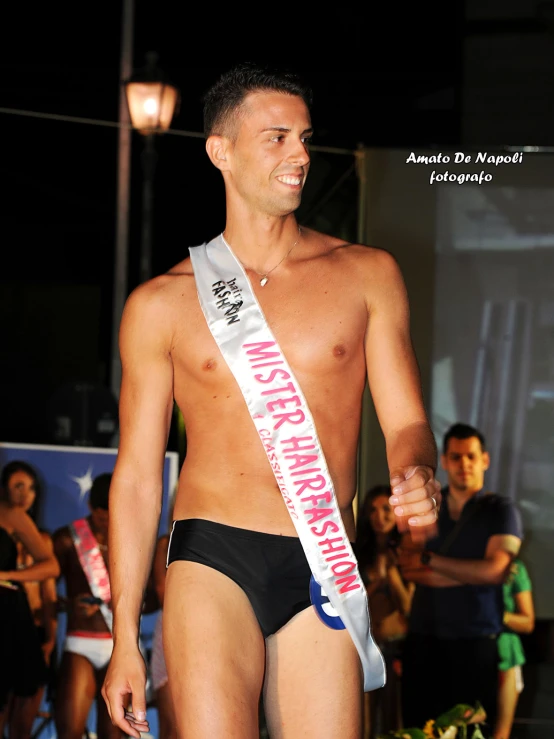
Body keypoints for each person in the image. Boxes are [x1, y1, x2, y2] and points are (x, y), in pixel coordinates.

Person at [101, 61, 441, 739]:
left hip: (321, 556)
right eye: (278, 137)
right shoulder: (160, 303)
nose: (302, 156)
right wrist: (123, 640)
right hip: (210, 557)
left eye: (306, 138)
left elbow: (406, 422)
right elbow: (138, 476)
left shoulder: (367, 275)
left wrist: (417, 471)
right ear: (219, 150)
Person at [398, 423, 523, 735]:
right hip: (424, 640)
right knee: (419, 730)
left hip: (476, 643)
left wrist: (432, 561)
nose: (464, 464)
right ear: (445, 460)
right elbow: (409, 567)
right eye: (456, 457)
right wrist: (474, 573)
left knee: (470, 733)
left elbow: (495, 570)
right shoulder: (427, 507)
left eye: (471, 456)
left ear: (484, 460)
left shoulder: (500, 510)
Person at [52, 473, 123, 739]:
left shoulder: (130, 541)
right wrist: (71, 605)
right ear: (92, 508)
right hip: (80, 643)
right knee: (69, 731)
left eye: (112, 514)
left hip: (120, 647)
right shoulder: (67, 539)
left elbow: (150, 600)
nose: (107, 522)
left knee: (114, 734)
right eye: (102, 515)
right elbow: (44, 595)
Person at [0, 462, 60, 738]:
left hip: (13, 620)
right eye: (18, 486)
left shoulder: (12, 516)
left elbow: (50, 574)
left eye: (30, 488)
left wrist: (9, 574)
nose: (24, 494)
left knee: (18, 719)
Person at [355, 485, 415, 738]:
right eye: (373, 510)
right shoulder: (357, 554)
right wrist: (374, 586)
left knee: (396, 721)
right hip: (365, 645)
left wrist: (391, 574)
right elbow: (350, 605)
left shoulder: (408, 553)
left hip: (398, 647)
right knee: (362, 719)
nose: (379, 516)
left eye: (386, 509)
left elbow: (409, 606)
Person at [494, 557, 534, 739]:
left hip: (505, 656)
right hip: (466, 652)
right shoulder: (461, 559)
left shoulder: (514, 567)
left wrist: (496, 615)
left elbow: (527, 622)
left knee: (500, 734)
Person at [149, 532, 178, 739]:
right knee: (171, 729)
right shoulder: (165, 543)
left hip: (211, 636)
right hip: (173, 631)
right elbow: (162, 593)